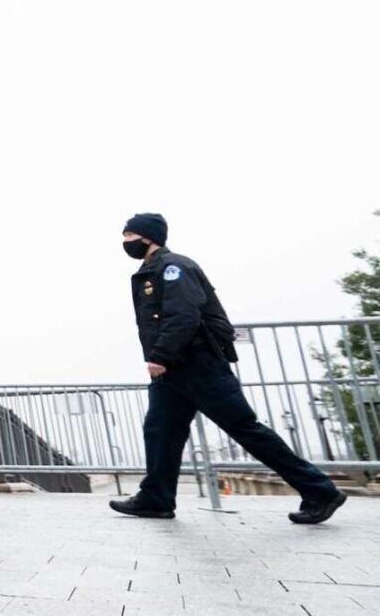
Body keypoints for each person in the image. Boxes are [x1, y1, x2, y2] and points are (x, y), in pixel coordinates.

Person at [111, 213, 346, 525]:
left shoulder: (173, 267)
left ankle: (320, 490)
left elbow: (183, 316)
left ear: (148, 237)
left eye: (128, 235)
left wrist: (161, 356)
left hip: (198, 365)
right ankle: (156, 498)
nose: (124, 242)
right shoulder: (151, 270)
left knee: (245, 429)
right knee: (160, 432)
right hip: (173, 372)